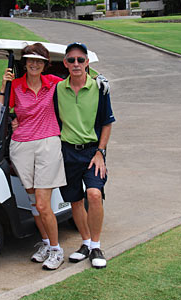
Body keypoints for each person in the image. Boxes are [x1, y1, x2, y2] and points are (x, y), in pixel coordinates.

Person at [0, 43, 66, 270]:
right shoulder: (15, 86)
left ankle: (57, 250)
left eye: (39, 60)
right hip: (21, 146)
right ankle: (46, 243)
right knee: (33, 204)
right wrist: (3, 86)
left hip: (48, 143)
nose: (34, 64)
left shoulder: (54, 83)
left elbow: (77, 85)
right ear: (24, 63)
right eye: (30, 60)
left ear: (45, 64)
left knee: (43, 203)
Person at [53, 42, 115, 269]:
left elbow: (107, 124)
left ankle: (96, 245)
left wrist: (100, 152)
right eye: (71, 60)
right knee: (75, 200)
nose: (76, 64)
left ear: (87, 63)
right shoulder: (58, 89)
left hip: (92, 152)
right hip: (67, 150)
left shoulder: (100, 88)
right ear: (65, 64)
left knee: (94, 194)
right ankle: (86, 243)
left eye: (81, 60)